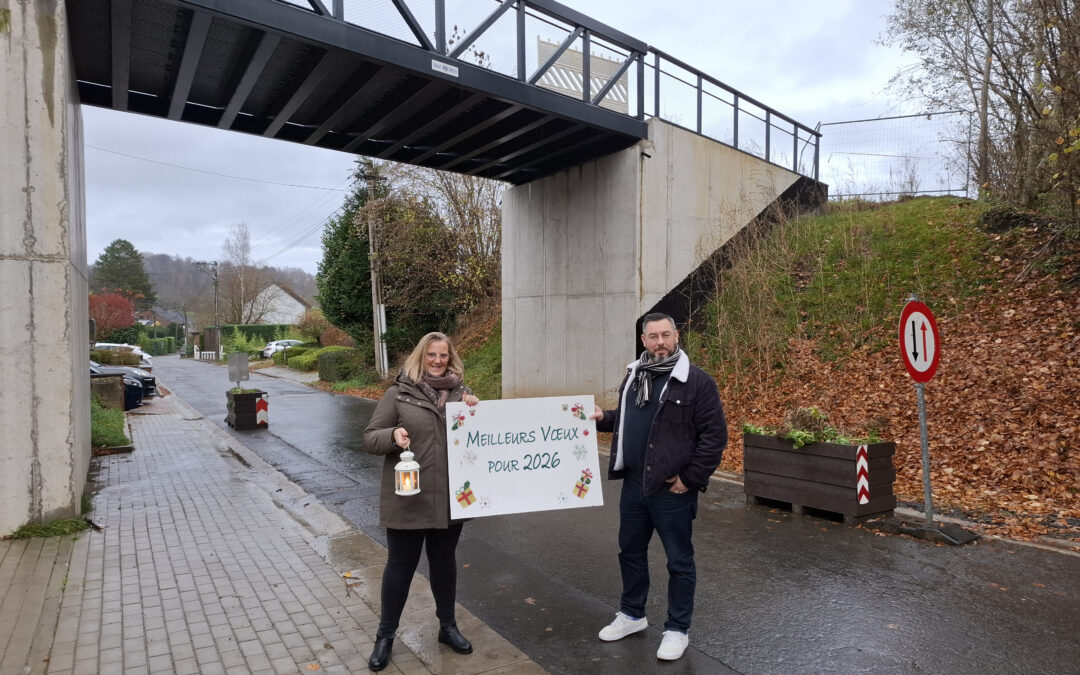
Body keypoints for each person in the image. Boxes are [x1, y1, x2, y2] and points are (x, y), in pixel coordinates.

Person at [589, 312, 727, 661]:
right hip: (635, 486)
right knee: (630, 553)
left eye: (666, 334)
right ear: (644, 341)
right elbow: (629, 419)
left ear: (677, 336)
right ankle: (632, 615)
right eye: (653, 336)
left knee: (679, 562)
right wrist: (603, 418)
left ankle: (677, 629)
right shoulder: (636, 376)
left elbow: (714, 437)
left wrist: (690, 479)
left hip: (671, 492)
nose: (660, 342)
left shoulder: (696, 382)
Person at [363, 332, 480, 671]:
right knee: (400, 567)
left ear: (451, 358)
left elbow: (477, 441)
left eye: (444, 355)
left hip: (449, 501)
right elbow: (370, 438)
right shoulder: (397, 394)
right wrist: (393, 436)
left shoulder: (463, 395)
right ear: (421, 356)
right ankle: (385, 635)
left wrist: (476, 410)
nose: (438, 360)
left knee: (444, 563)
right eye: (432, 354)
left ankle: (447, 627)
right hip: (408, 498)